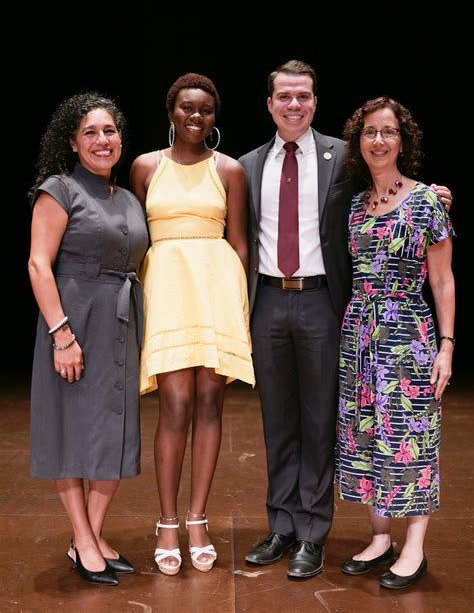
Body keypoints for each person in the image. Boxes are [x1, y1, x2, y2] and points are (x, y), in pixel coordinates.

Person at [238, 60, 452, 580]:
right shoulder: (244, 166)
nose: (294, 105)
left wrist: (436, 196)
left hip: (323, 303)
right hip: (267, 300)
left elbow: (406, 202)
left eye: (304, 96)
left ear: (315, 102)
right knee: (278, 422)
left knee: (320, 423)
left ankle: (313, 532)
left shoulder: (341, 157)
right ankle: (282, 525)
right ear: (269, 104)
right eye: (284, 96)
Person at [130, 73, 255, 576]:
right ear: (171, 112)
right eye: (187, 108)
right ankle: (166, 522)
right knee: (175, 403)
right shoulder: (144, 167)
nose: (195, 116)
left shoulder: (229, 170)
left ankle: (197, 519)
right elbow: (131, 234)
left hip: (217, 291)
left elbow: (241, 243)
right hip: (167, 291)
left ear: (214, 117)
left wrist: (241, 307)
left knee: (209, 400)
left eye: (205, 109)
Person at [28, 93, 149, 586]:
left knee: (112, 431)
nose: (103, 141)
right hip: (74, 320)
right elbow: (38, 264)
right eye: (91, 133)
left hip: (119, 323)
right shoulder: (59, 190)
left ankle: (90, 537)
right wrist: (62, 335)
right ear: (73, 143)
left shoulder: (126, 198)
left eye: (110, 131)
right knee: (72, 429)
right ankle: (82, 536)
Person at [336, 97, 455, 589]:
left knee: (410, 436)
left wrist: (446, 346)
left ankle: (414, 548)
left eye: (388, 132)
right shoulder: (355, 206)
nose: (378, 140)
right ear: (359, 142)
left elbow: (443, 281)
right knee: (366, 435)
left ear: (402, 141)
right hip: (359, 333)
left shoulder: (428, 201)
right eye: (369, 132)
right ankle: (380, 538)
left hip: (408, 333)